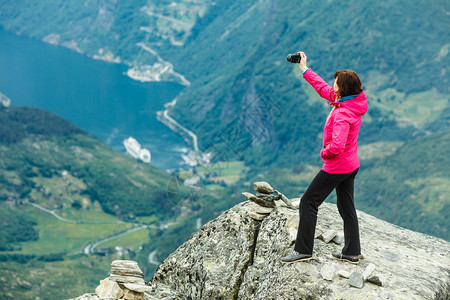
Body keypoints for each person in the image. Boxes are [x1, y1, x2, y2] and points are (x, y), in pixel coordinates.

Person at [280, 52, 368, 264]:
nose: (333, 85)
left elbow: (336, 146)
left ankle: (303, 250)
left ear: (342, 88)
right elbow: (323, 88)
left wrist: (324, 153)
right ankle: (352, 252)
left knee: (308, 202)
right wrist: (304, 68)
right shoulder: (351, 103)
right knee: (346, 207)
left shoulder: (341, 114)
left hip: (337, 166)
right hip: (351, 165)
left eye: (336, 83)